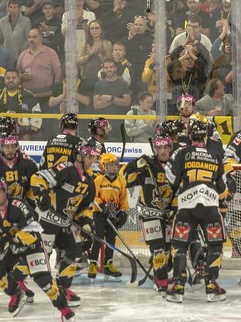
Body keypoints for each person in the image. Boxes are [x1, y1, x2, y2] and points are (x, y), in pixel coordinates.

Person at [0, 179, 75, 320]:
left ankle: (65, 309)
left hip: (32, 247)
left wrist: (9, 238)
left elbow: (34, 229)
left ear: (5, 192)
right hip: (11, 249)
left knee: (45, 282)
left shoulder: (19, 206)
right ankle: (15, 293)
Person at [164, 117, 228, 303]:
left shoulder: (181, 152)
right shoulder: (215, 154)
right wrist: (221, 202)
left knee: (180, 245)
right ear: (206, 135)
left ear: (190, 135)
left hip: (186, 206)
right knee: (215, 245)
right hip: (210, 207)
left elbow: (172, 179)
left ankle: (178, 286)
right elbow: (223, 188)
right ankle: (211, 284)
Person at [29, 140, 97, 305]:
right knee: (39, 258)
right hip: (47, 221)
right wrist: (42, 194)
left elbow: (85, 208)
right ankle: (18, 284)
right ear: (79, 155)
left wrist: (86, 221)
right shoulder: (66, 168)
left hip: (65, 225)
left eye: (93, 157)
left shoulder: (89, 182)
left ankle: (62, 287)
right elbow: (38, 177)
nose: (91, 160)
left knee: (74, 252)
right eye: (88, 156)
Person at [122, 128, 175, 293]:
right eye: (159, 148)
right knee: (157, 249)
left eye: (166, 147)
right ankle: (161, 279)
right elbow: (125, 179)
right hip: (149, 214)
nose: (163, 151)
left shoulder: (176, 165)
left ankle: (165, 274)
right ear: (155, 149)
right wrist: (135, 165)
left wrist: (175, 208)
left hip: (169, 214)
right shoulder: (147, 166)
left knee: (167, 250)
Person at [86, 152, 129, 281]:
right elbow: (94, 195)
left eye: (116, 164)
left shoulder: (121, 181)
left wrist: (123, 212)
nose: (115, 167)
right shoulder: (98, 180)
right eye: (111, 165)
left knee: (111, 237)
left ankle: (108, 265)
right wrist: (101, 205)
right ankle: (93, 264)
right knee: (99, 236)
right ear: (103, 166)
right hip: (99, 211)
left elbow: (123, 200)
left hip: (113, 211)